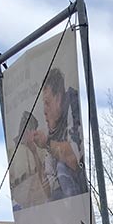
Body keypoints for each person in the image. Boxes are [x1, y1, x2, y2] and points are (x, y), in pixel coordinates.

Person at [29, 67, 89, 200]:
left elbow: (74, 158)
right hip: (66, 209)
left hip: (81, 200)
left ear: (59, 98)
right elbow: (48, 189)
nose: (45, 111)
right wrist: (34, 152)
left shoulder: (72, 104)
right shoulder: (51, 129)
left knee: (62, 167)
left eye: (47, 103)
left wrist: (47, 144)